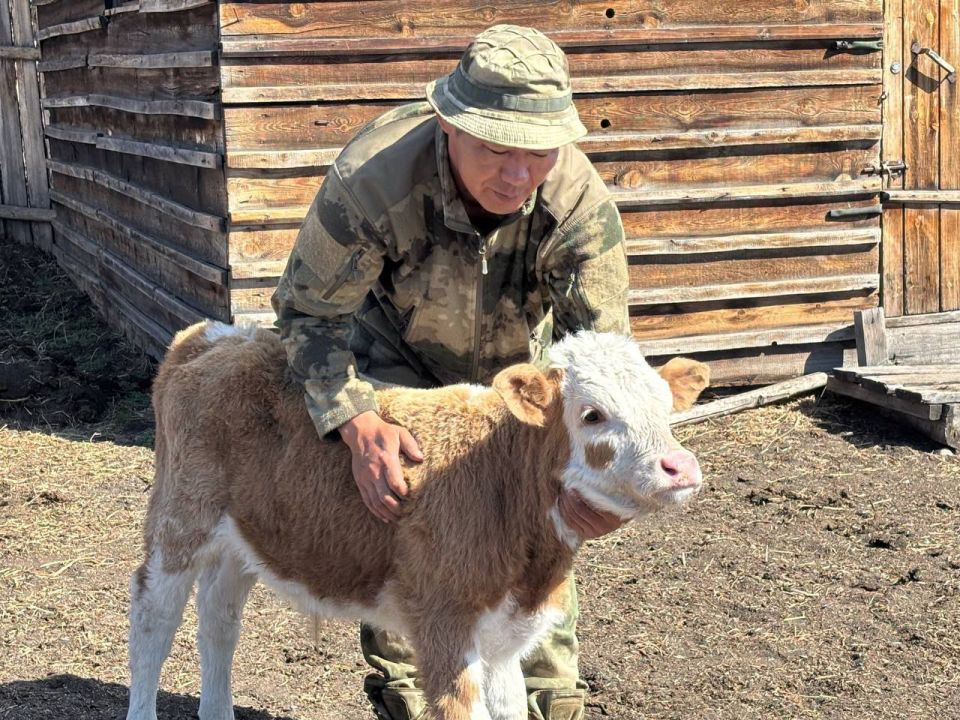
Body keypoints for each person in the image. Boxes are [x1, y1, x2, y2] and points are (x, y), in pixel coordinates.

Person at [271, 24, 630, 720]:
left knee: (540, 538)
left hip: (517, 381)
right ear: (448, 125)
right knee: (409, 532)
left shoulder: (578, 206)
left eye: (539, 153)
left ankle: (553, 703)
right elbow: (306, 316)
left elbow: (604, 365)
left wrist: (599, 479)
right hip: (397, 371)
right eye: (497, 149)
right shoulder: (370, 182)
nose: (519, 174)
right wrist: (354, 418)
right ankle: (410, 700)